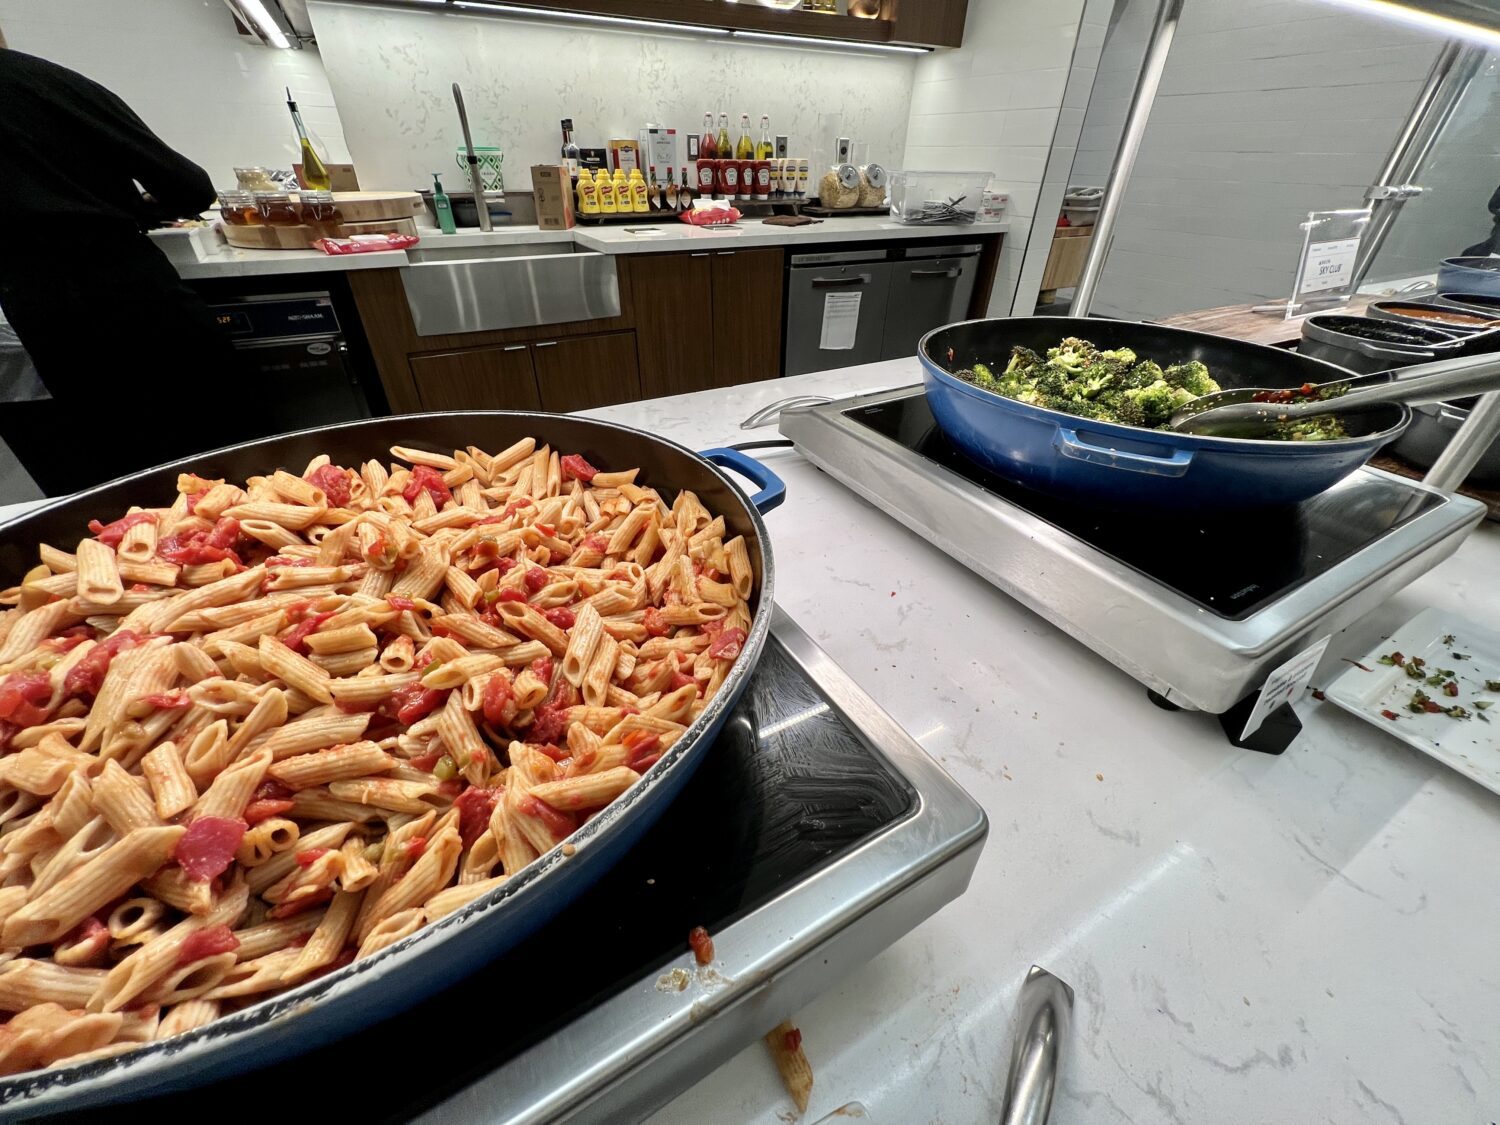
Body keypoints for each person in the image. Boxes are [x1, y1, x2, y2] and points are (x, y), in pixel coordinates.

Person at [0, 31, 273, 495]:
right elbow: (188, 186)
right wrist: (134, 206)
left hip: (31, 313)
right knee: (227, 457)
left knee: (109, 482)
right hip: (127, 285)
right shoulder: (47, 81)